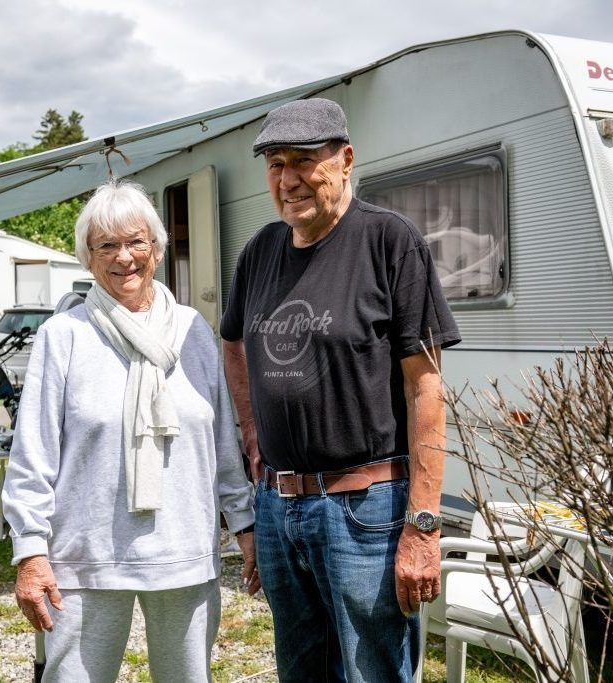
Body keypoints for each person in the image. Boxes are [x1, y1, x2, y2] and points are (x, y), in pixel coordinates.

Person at [220, 98, 461, 682]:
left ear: (346, 159)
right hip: (279, 505)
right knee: (300, 669)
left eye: (304, 161)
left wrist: (423, 524)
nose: (288, 179)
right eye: (276, 164)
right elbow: (233, 343)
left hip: (366, 509)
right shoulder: (260, 251)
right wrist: (252, 433)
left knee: (371, 671)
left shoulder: (389, 242)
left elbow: (426, 389)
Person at [2, 180, 258, 683]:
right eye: (107, 246)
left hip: (184, 552)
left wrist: (244, 525)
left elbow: (220, 446)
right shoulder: (64, 335)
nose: (124, 257)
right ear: (88, 258)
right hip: (86, 556)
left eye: (136, 241)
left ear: (157, 249)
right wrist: (30, 551)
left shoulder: (192, 331)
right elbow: (33, 453)